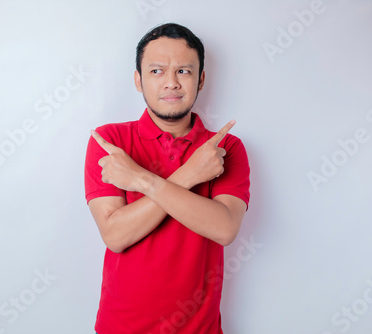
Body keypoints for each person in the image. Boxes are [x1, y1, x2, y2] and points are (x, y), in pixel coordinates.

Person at [84, 23, 250, 334]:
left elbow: (225, 228)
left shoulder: (225, 148)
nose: (171, 83)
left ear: (200, 79)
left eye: (184, 72)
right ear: (139, 80)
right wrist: (190, 174)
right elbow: (116, 236)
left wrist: (141, 180)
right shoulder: (109, 141)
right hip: (120, 327)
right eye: (157, 71)